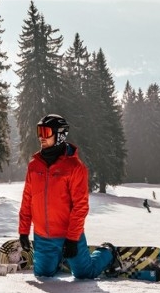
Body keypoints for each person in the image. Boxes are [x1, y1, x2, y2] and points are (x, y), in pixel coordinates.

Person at [18, 113, 121, 278]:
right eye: (39, 132)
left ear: (59, 135)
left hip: (68, 235)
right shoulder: (34, 165)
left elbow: (80, 206)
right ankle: (58, 259)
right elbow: (27, 200)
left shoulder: (75, 167)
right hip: (42, 236)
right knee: (43, 274)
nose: (41, 137)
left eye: (46, 132)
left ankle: (107, 252)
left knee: (85, 274)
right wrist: (23, 231)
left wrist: (72, 239)